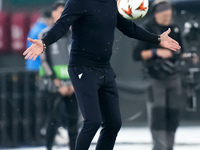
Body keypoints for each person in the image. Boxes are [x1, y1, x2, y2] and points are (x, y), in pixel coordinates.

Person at [23, 0, 181, 149]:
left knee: (113, 123)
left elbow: (129, 27)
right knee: (92, 121)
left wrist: (157, 39)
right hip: (82, 68)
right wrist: (44, 42)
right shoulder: (79, 1)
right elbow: (62, 25)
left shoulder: (111, 2)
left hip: (104, 68)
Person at [133, 0, 184, 150]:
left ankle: (169, 147)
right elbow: (136, 55)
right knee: (158, 115)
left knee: (173, 114)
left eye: (169, 16)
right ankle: (160, 147)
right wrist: (156, 52)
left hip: (173, 77)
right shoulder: (147, 29)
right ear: (156, 13)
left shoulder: (174, 28)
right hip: (154, 78)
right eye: (164, 16)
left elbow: (180, 51)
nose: (167, 19)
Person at [38, 1, 79, 150]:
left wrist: (75, 83)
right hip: (53, 86)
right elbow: (44, 61)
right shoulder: (45, 34)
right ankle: (48, 147)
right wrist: (57, 82)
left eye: (65, 13)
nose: (62, 15)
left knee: (74, 122)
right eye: (59, 12)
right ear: (54, 14)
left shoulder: (75, 34)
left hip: (73, 85)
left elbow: (80, 59)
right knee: (52, 120)